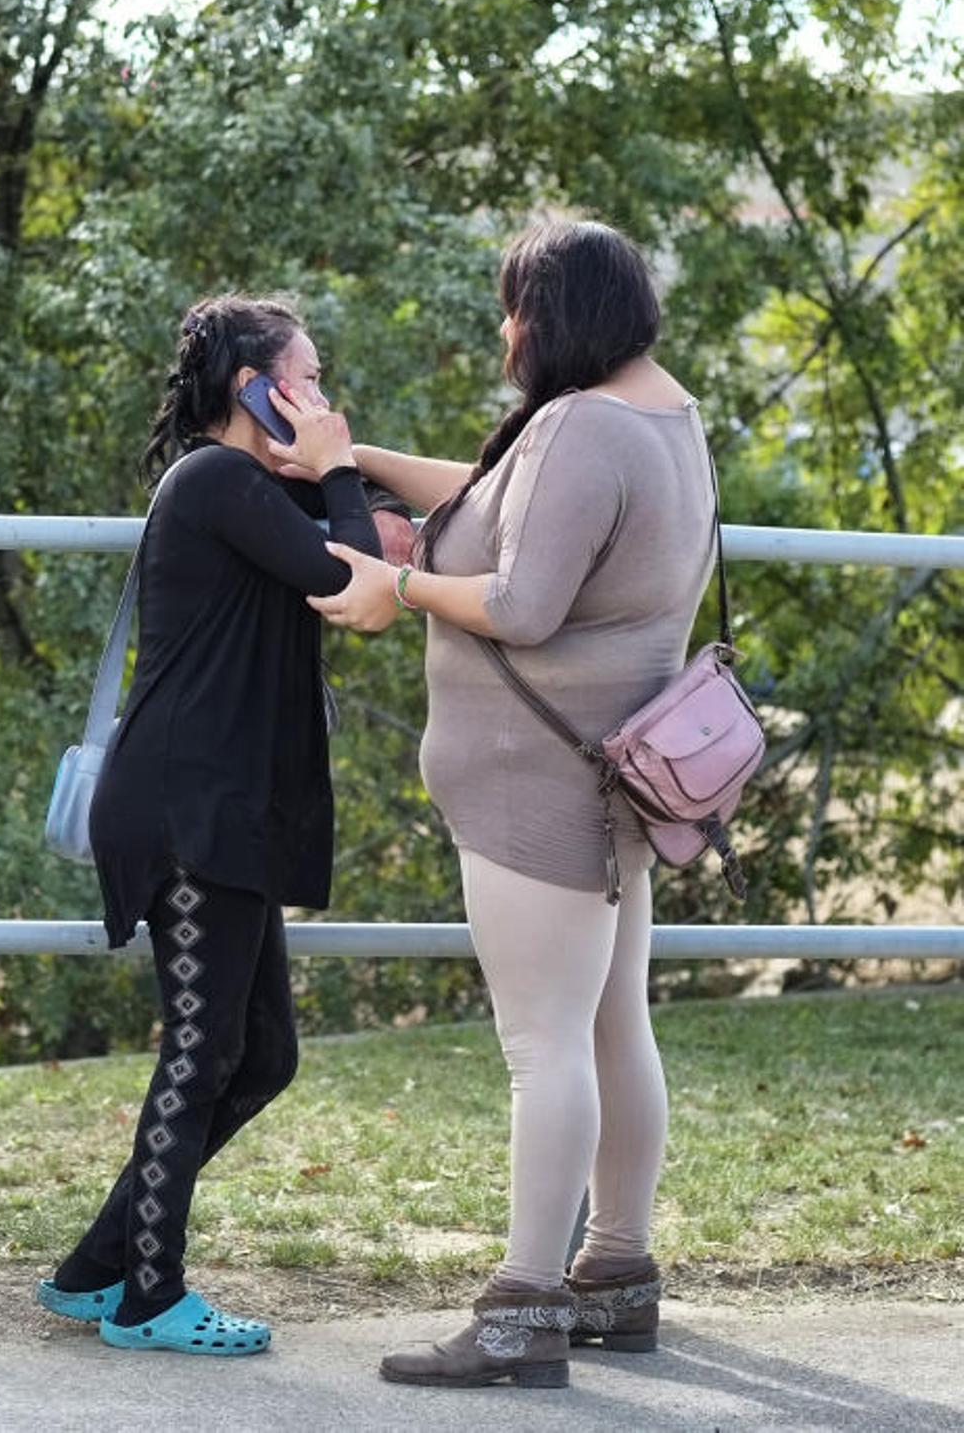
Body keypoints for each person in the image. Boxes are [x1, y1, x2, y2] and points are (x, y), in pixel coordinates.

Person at [271, 220, 717, 1389]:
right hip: (619, 779)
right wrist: (348, 461)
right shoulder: (662, 412)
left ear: (556, 315)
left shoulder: (580, 427)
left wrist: (399, 582)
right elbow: (501, 497)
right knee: (613, 1027)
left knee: (543, 1046)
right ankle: (616, 1275)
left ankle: (522, 1309)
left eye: (516, 307)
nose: (506, 329)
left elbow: (520, 605)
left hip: (542, 783)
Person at [35, 293, 403, 1356]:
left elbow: (356, 560)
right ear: (255, 388)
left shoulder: (249, 489)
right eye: (309, 379)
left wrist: (332, 473)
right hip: (188, 801)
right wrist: (337, 468)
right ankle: (150, 1296)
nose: (324, 399)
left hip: (222, 802)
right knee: (202, 1052)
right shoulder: (215, 480)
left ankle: (95, 1268)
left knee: (262, 1054)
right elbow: (354, 583)